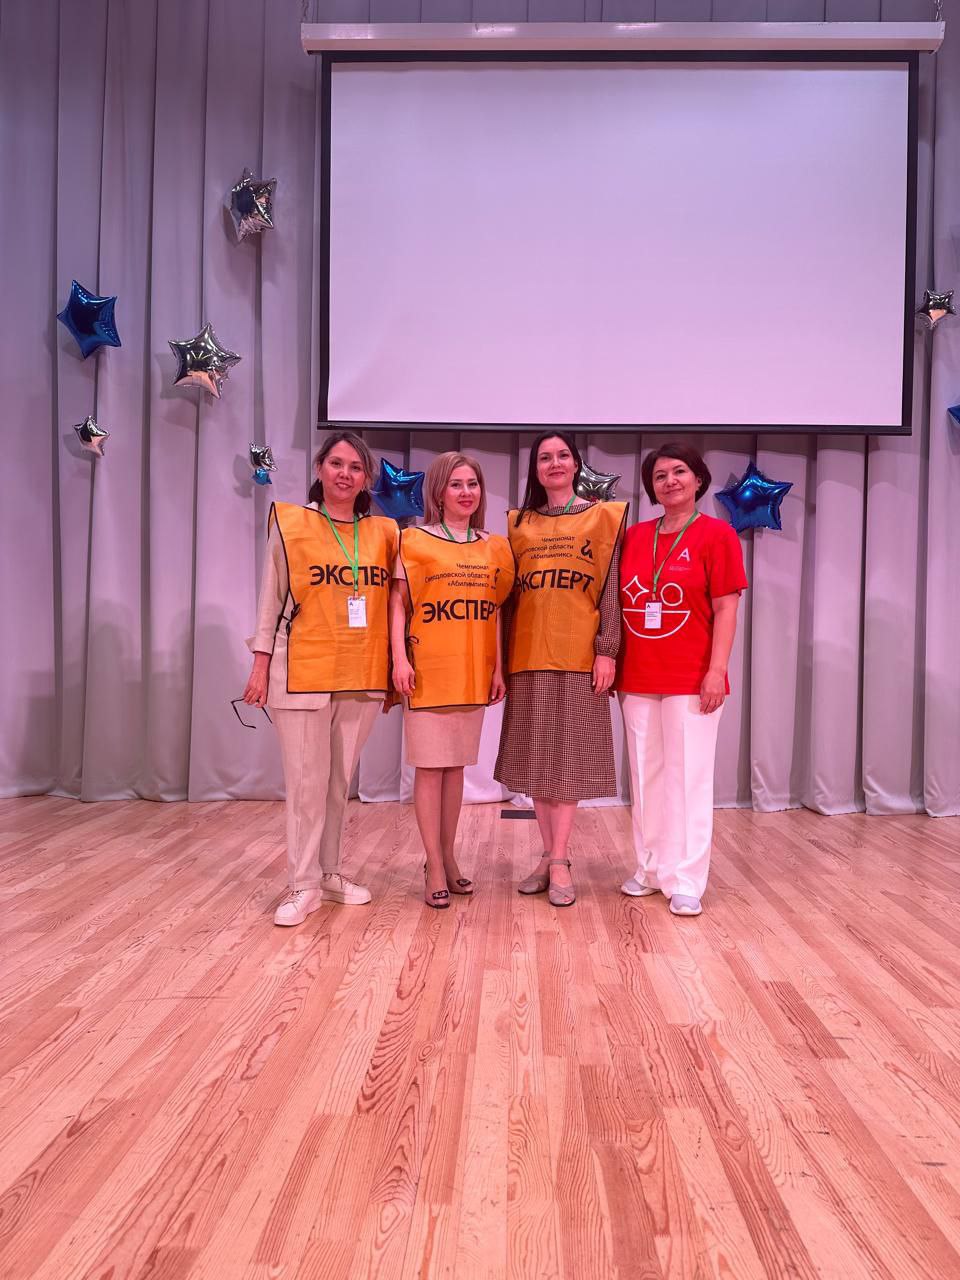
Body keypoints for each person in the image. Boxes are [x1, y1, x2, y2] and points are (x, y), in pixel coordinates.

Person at [242, 431, 398, 927]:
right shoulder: (292, 523)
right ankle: (302, 883)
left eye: (355, 467)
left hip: (360, 672)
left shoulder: (384, 533)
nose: (345, 474)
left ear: (366, 478)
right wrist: (260, 665)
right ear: (319, 469)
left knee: (337, 784)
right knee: (306, 784)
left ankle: (329, 873)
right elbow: (270, 599)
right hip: (301, 672)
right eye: (336, 463)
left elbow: (395, 605)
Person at [616, 442, 748, 917]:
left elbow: (726, 609)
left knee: (688, 777)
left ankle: (687, 879)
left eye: (679, 472)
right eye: (659, 476)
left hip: (692, 676)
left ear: (698, 479)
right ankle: (650, 868)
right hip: (637, 673)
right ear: (651, 488)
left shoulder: (718, 535)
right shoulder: (634, 537)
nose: (669, 481)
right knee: (645, 776)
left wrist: (717, 671)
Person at [495, 431, 626, 906]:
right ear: (535, 468)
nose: (554, 463)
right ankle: (549, 857)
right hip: (528, 654)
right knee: (538, 763)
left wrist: (607, 649)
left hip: (578, 656)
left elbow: (610, 588)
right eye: (545, 457)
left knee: (566, 763)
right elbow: (509, 600)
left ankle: (560, 858)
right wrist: (499, 661)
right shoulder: (519, 523)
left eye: (563, 456)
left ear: (576, 464)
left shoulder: (602, 517)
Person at [390, 453, 514, 909]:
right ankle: (434, 865)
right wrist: (399, 659)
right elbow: (398, 604)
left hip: (472, 671)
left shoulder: (494, 547)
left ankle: (447, 856)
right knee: (430, 768)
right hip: (427, 669)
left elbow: (494, 611)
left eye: (473, 484)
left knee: (456, 767)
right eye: (456, 484)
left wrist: (497, 668)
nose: (466, 492)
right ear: (439, 492)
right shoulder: (413, 539)